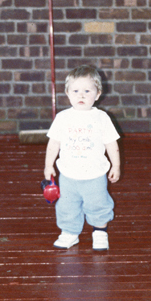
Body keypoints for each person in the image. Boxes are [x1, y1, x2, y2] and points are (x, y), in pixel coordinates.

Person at [44, 64, 120, 250]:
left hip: (95, 175)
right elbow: (54, 143)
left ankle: (100, 231)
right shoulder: (63, 118)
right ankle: (70, 233)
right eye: (76, 91)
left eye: (87, 90)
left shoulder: (102, 118)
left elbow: (111, 144)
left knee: (98, 204)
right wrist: (48, 165)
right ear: (67, 93)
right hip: (69, 175)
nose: (81, 95)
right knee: (67, 207)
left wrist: (115, 166)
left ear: (98, 93)